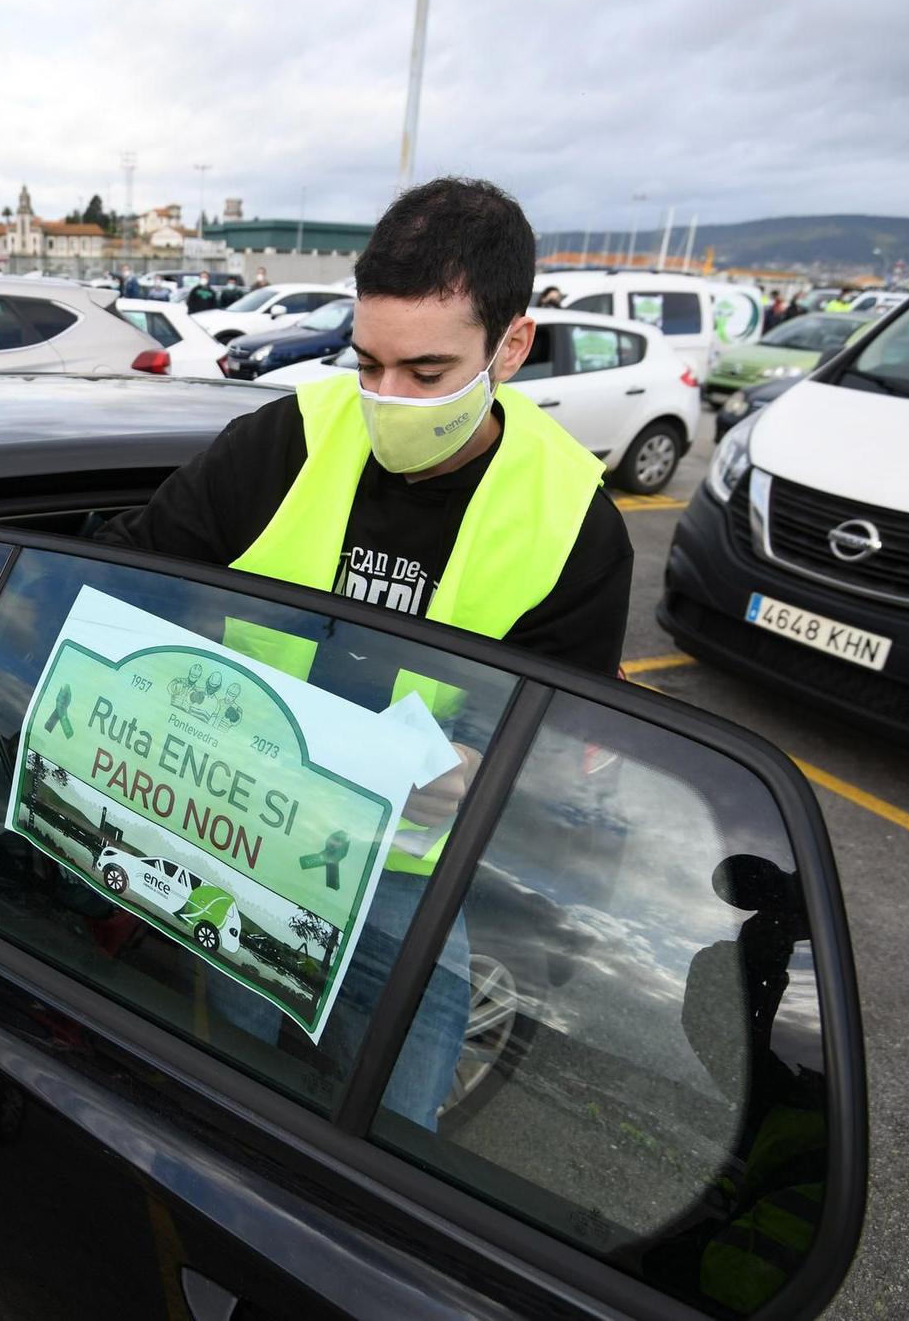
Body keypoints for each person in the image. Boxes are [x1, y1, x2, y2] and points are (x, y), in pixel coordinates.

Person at [99, 176, 632, 1128]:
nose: (387, 401)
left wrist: (486, 772)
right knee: (234, 1107)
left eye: (426, 374)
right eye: (366, 362)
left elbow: (577, 733)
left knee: (396, 1136)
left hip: (410, 889)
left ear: (511, 344)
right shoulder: (280, 445)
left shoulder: (570, 522)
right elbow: (128, 582)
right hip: (250, 848)